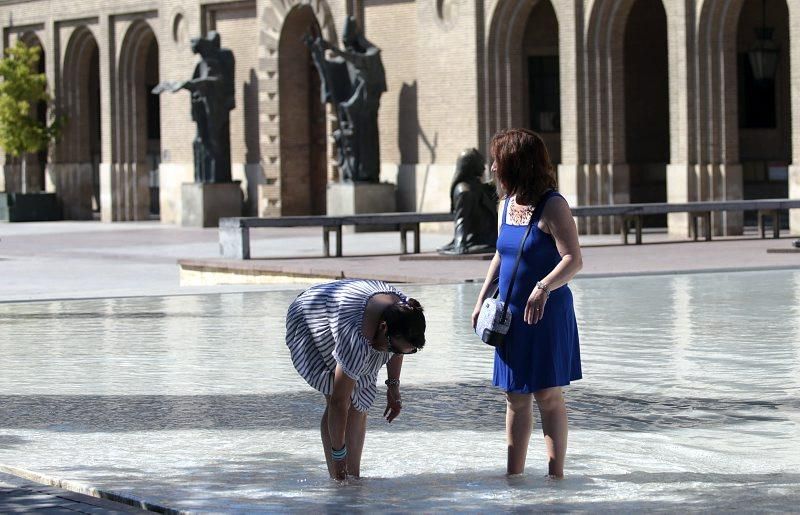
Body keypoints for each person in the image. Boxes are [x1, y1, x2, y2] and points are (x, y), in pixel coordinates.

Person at [471, 128, 583, 478]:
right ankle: (514, 477)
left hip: (546, 314)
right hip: (510, 317)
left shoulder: (553, 205)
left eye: (497, 161)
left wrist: (543, 287)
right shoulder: (506, 205)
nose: (491, 168)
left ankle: (555, 476)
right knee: (515, 397)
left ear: (515, 164)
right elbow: (501, 256)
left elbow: (573, 259)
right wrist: (481, 298)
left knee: (547, 395)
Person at [286, 279, 426, 480]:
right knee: (341, 396)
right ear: (383, 328)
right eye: (392, 348)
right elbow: (338, 402)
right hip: (313, 315)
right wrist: (338, 453)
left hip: (354, 316)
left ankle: (353, 476)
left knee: (360, 404)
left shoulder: (404, 314)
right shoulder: (356, 338)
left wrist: (393, 387)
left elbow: (399, 347)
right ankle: (338, 477)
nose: (393, 353)